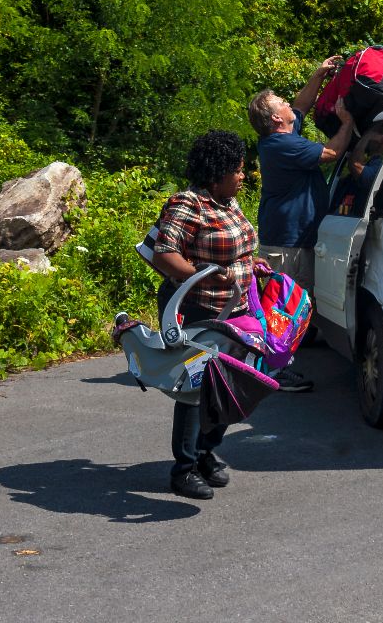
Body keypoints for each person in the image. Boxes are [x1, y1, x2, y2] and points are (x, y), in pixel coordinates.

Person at [150, 129, 261, 501]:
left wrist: (250, 264)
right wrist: (202, 275)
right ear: (217, 172)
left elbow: (235, 247)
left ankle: (205, 452)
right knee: (194, 390)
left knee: (228, 387)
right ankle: (183, 469)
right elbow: (165, 253)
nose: (243, 176)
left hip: (235, 311)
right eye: (238, 170)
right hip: (197, 310)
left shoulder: (228, 202)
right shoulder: (188, 203)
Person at [248, 58, 356, 393]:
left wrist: (318, 75)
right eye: (280, 102)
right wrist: (348, 122)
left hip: (295, 238)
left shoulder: (282, 132)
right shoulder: (282, 145)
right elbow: (332, 152)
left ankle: (288, 350)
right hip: (286, 242)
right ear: (277, 119)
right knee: (281, 308)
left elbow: (301, 104)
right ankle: (272, 372)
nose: (287, 103)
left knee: (295, 300)